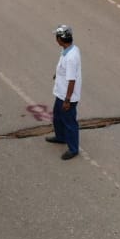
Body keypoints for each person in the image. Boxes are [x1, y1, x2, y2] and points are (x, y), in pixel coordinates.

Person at [46, 24, 81, 160]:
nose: (56, 39)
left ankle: (73, 149)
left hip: (67, 96)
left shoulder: (71, 57)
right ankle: (60, 137)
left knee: (70, 123)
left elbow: (72, 81)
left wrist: (67, 100)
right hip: (61, 92)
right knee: (57, 117)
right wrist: (57, 74)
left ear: (61, 39)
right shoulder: (68, 49)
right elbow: (64, 68)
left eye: (57, 36)